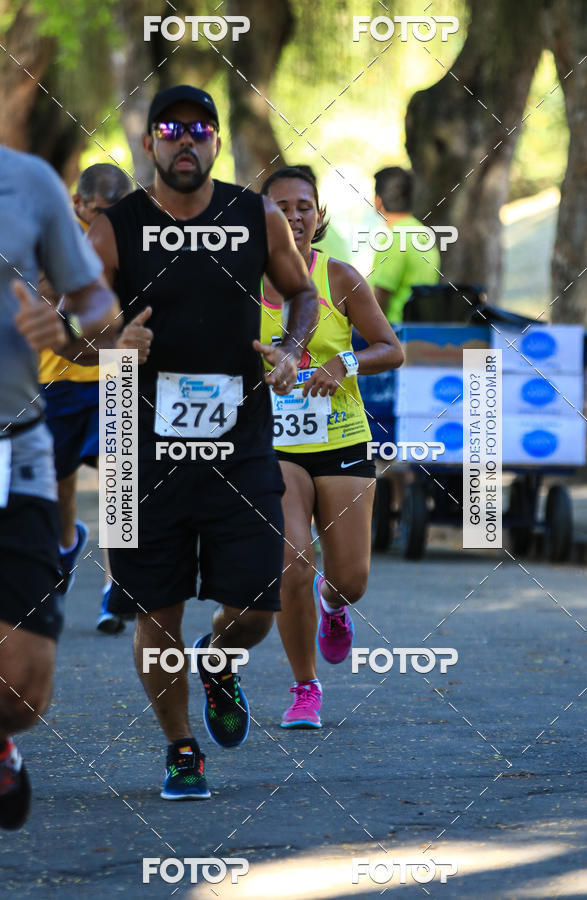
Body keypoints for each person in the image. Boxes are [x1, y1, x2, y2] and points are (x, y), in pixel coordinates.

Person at [87, 85, 319, 800]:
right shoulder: (112, 225)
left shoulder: (254, 215)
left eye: (200, 130)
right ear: (150, 143)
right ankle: (181, 750)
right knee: (155, 604)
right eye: (170, 129)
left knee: (257, 600)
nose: (185, 141)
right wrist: (112, 339)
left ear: (218, 142)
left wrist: (289, 345)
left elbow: (302, 293)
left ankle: (217, 660)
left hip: (239, 435)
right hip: (136, 445)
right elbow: (78, 314)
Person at [0, 145, 120, 829]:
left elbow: (101, 303)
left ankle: (117, 574)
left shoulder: (29, 181)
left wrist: (74, 326)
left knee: (21, 691)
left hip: (18, 438)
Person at [259, 167, 403, 728]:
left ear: (318, 216)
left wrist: (343, 362)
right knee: (293, 561)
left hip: (342, 438)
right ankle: (304, 686)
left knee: (351, 579)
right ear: (262, 217)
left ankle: (333, 603)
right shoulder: (238, 283)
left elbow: (391, 349)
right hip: (274, 447)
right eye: (281, 206)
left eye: (304, 206)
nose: (294, 216)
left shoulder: (339, 277)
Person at [38, 163, 133, 635]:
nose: (107, 219)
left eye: (116, 211)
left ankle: (117, 590)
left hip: (118, 371)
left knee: (120, 477)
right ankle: (66, 543)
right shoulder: (53, 240)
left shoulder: (139, 237)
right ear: (77, 204)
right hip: (57, 375)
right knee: (60, 481)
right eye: (99, 210)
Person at [370, 167, 440, 323]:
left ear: (378, 200)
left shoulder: (394, 238)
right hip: (418, 332)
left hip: (394, 335)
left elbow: (379, 300)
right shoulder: (424, 234)